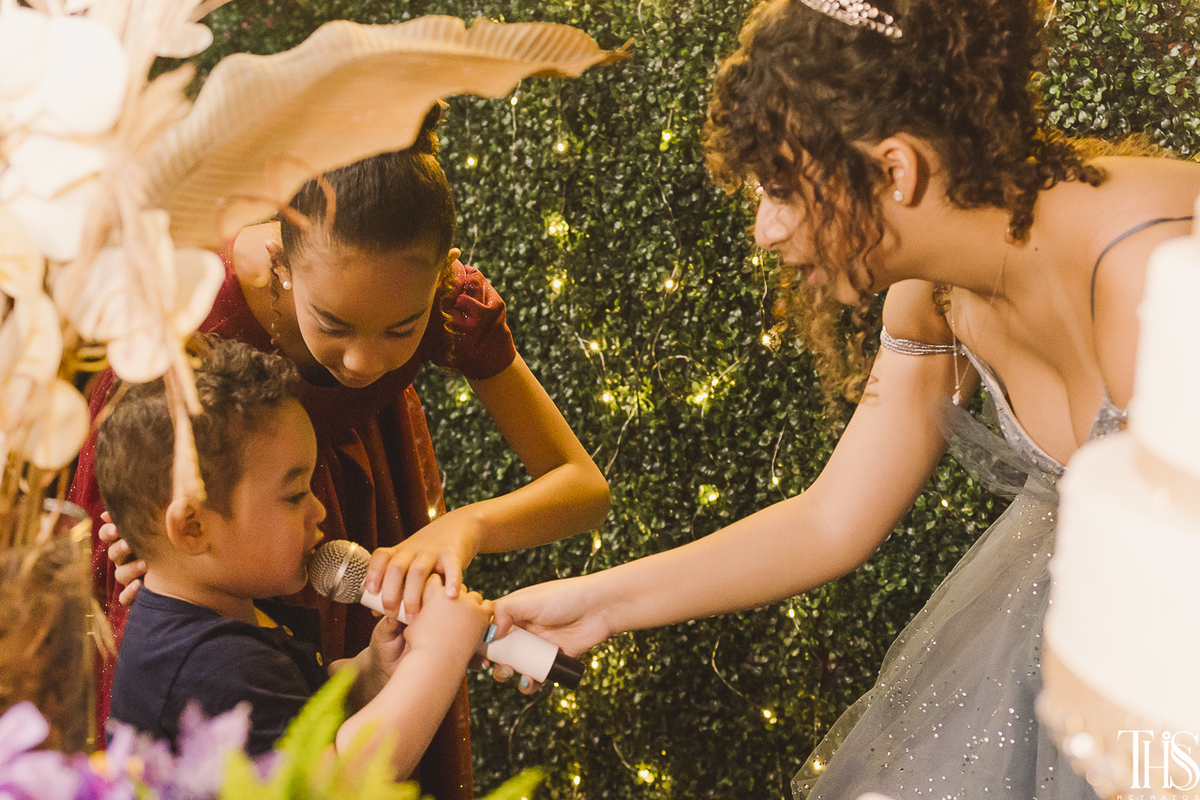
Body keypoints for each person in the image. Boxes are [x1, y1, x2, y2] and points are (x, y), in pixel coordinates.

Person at [490, 0, 1200, 797]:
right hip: (1088, 640)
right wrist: (597, 605)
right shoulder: (933, 297)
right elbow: (832, 518)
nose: (763, 230)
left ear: (894, 169)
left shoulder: (1151, 265)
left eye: (782, 190)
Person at [69, 105, 610, 800]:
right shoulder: (189, 301)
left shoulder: (448, 300)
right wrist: (149, 538)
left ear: (440, 280)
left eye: (401, 329)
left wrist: (458, 529)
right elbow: (143, 481)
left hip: (328, 504)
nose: (363, 362)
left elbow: (581, 486)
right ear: (281, 262)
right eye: (333, 324)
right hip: (235, 524)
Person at [98, 336, 492, 776]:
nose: (318, 510)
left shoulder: (227, 611)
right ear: (193, 526)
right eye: (294, 495)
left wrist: (371, 672)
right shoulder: (215, 667)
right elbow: (334, 784)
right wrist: (437, 654)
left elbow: (293, 715)